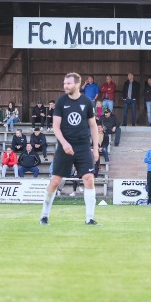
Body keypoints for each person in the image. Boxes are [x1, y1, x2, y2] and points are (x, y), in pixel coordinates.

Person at [40, 72, 100, 226]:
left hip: (83, 147)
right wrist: (65, 144)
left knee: (89, 179)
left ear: (77, 85)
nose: (65, 86)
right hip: (64, 146)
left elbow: (93, 126)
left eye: (68, 83)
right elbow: (55, 127)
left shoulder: (87, 102)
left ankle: (90, 218)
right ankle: (44, 215)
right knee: (55, 181)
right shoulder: (61, 102)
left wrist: (95, 148)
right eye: (64, 83)